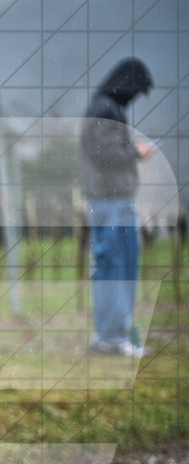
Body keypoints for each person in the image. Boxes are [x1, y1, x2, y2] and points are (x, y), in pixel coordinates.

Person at [80, 57, 155, 358]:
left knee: (112, 268)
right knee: (116, 269)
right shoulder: (105, 109)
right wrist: (134, 151)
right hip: (111, 202)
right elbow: (103, 154)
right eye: (139, 89)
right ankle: (112, 337)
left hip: (109, 201)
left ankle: (111, 336)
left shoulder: (105, 108)